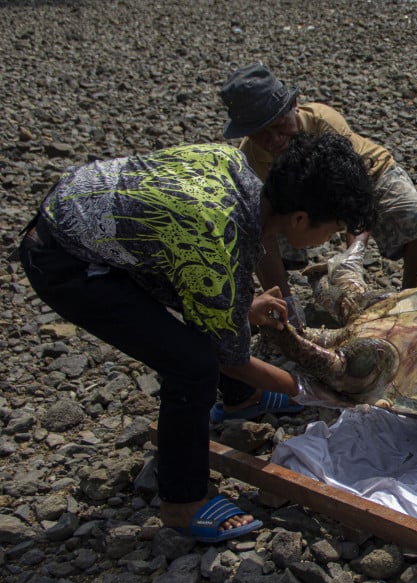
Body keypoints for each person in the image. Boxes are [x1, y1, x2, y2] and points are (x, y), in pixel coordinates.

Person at [18, 133, 373, 542]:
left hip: (92, 216)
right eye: (333, 229)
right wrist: (313, 390)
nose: (329, 239)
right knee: (192, 364)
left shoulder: (234, 169)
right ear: (299, 219)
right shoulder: (216, 235)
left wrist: (241, 306)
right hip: (65, 257)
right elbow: (229, 355)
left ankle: (242, 400)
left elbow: (199, 269)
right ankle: (182, 502)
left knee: (219, 310)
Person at [220, 63, 417, 305]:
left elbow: (353, 189)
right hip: (300, 197)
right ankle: (287, 301)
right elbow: (263, 230)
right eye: (261, 133)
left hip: (368, 174)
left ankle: (407, 294)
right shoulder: (249, 160)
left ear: (294, 105)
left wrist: (353, 257)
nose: (274, 139)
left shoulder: (324, 122)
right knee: (264, 229)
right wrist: (286, 307)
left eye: (280, 125)